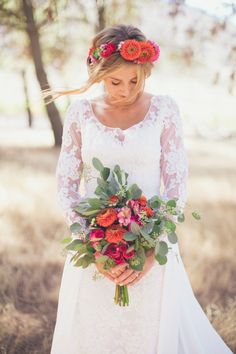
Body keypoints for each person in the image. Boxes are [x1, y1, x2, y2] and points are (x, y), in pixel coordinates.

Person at [48, 24, 233, 354]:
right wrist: (95, 247)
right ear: (97, 71)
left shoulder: (164, 110)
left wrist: (151, 250)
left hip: (152, 245)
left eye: (136, 80)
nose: (126, 90)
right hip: (94, 248)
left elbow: (176, 185)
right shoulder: (80, 114)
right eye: (115, 81)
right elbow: (66, 186)